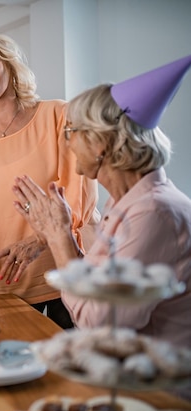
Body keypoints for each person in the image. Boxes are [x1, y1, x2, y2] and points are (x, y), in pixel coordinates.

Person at [12, 55, 191, 350]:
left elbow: (98, 325)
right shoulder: (125, 204)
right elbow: (98, 287)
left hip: (158, 391)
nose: (67, 143)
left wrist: (59, 238)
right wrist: (62, 232)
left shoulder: (154, 214)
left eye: (71, 132)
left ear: (100, 144)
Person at [0, 30, 99, 329]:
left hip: (69, 276)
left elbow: (79, 197)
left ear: (9, 64)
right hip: (6, 287)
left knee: (77, 372)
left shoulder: (59, 115)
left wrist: (40, 238)